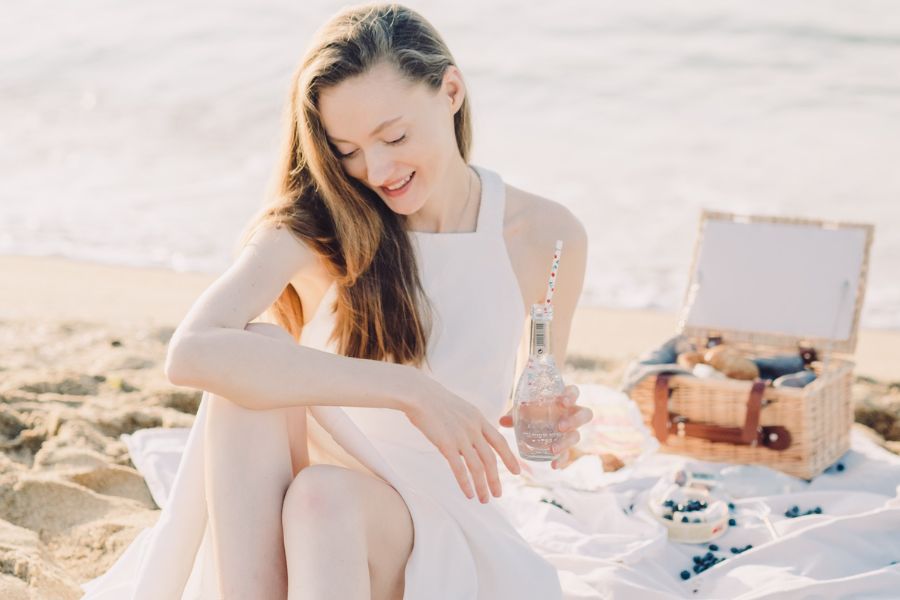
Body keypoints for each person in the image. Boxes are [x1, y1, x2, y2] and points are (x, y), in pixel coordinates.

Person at [81, 3, 593, 599]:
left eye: (393, 136)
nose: (375, 169)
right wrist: (409, 390)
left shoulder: (545, 236)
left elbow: (537, 402)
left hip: (426, 526)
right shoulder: (324, 223)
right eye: (346, 149)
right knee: (252, 355)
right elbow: (191, 351)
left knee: (322, 497)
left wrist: (557, 433)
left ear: (450, 91)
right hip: (285, 513)